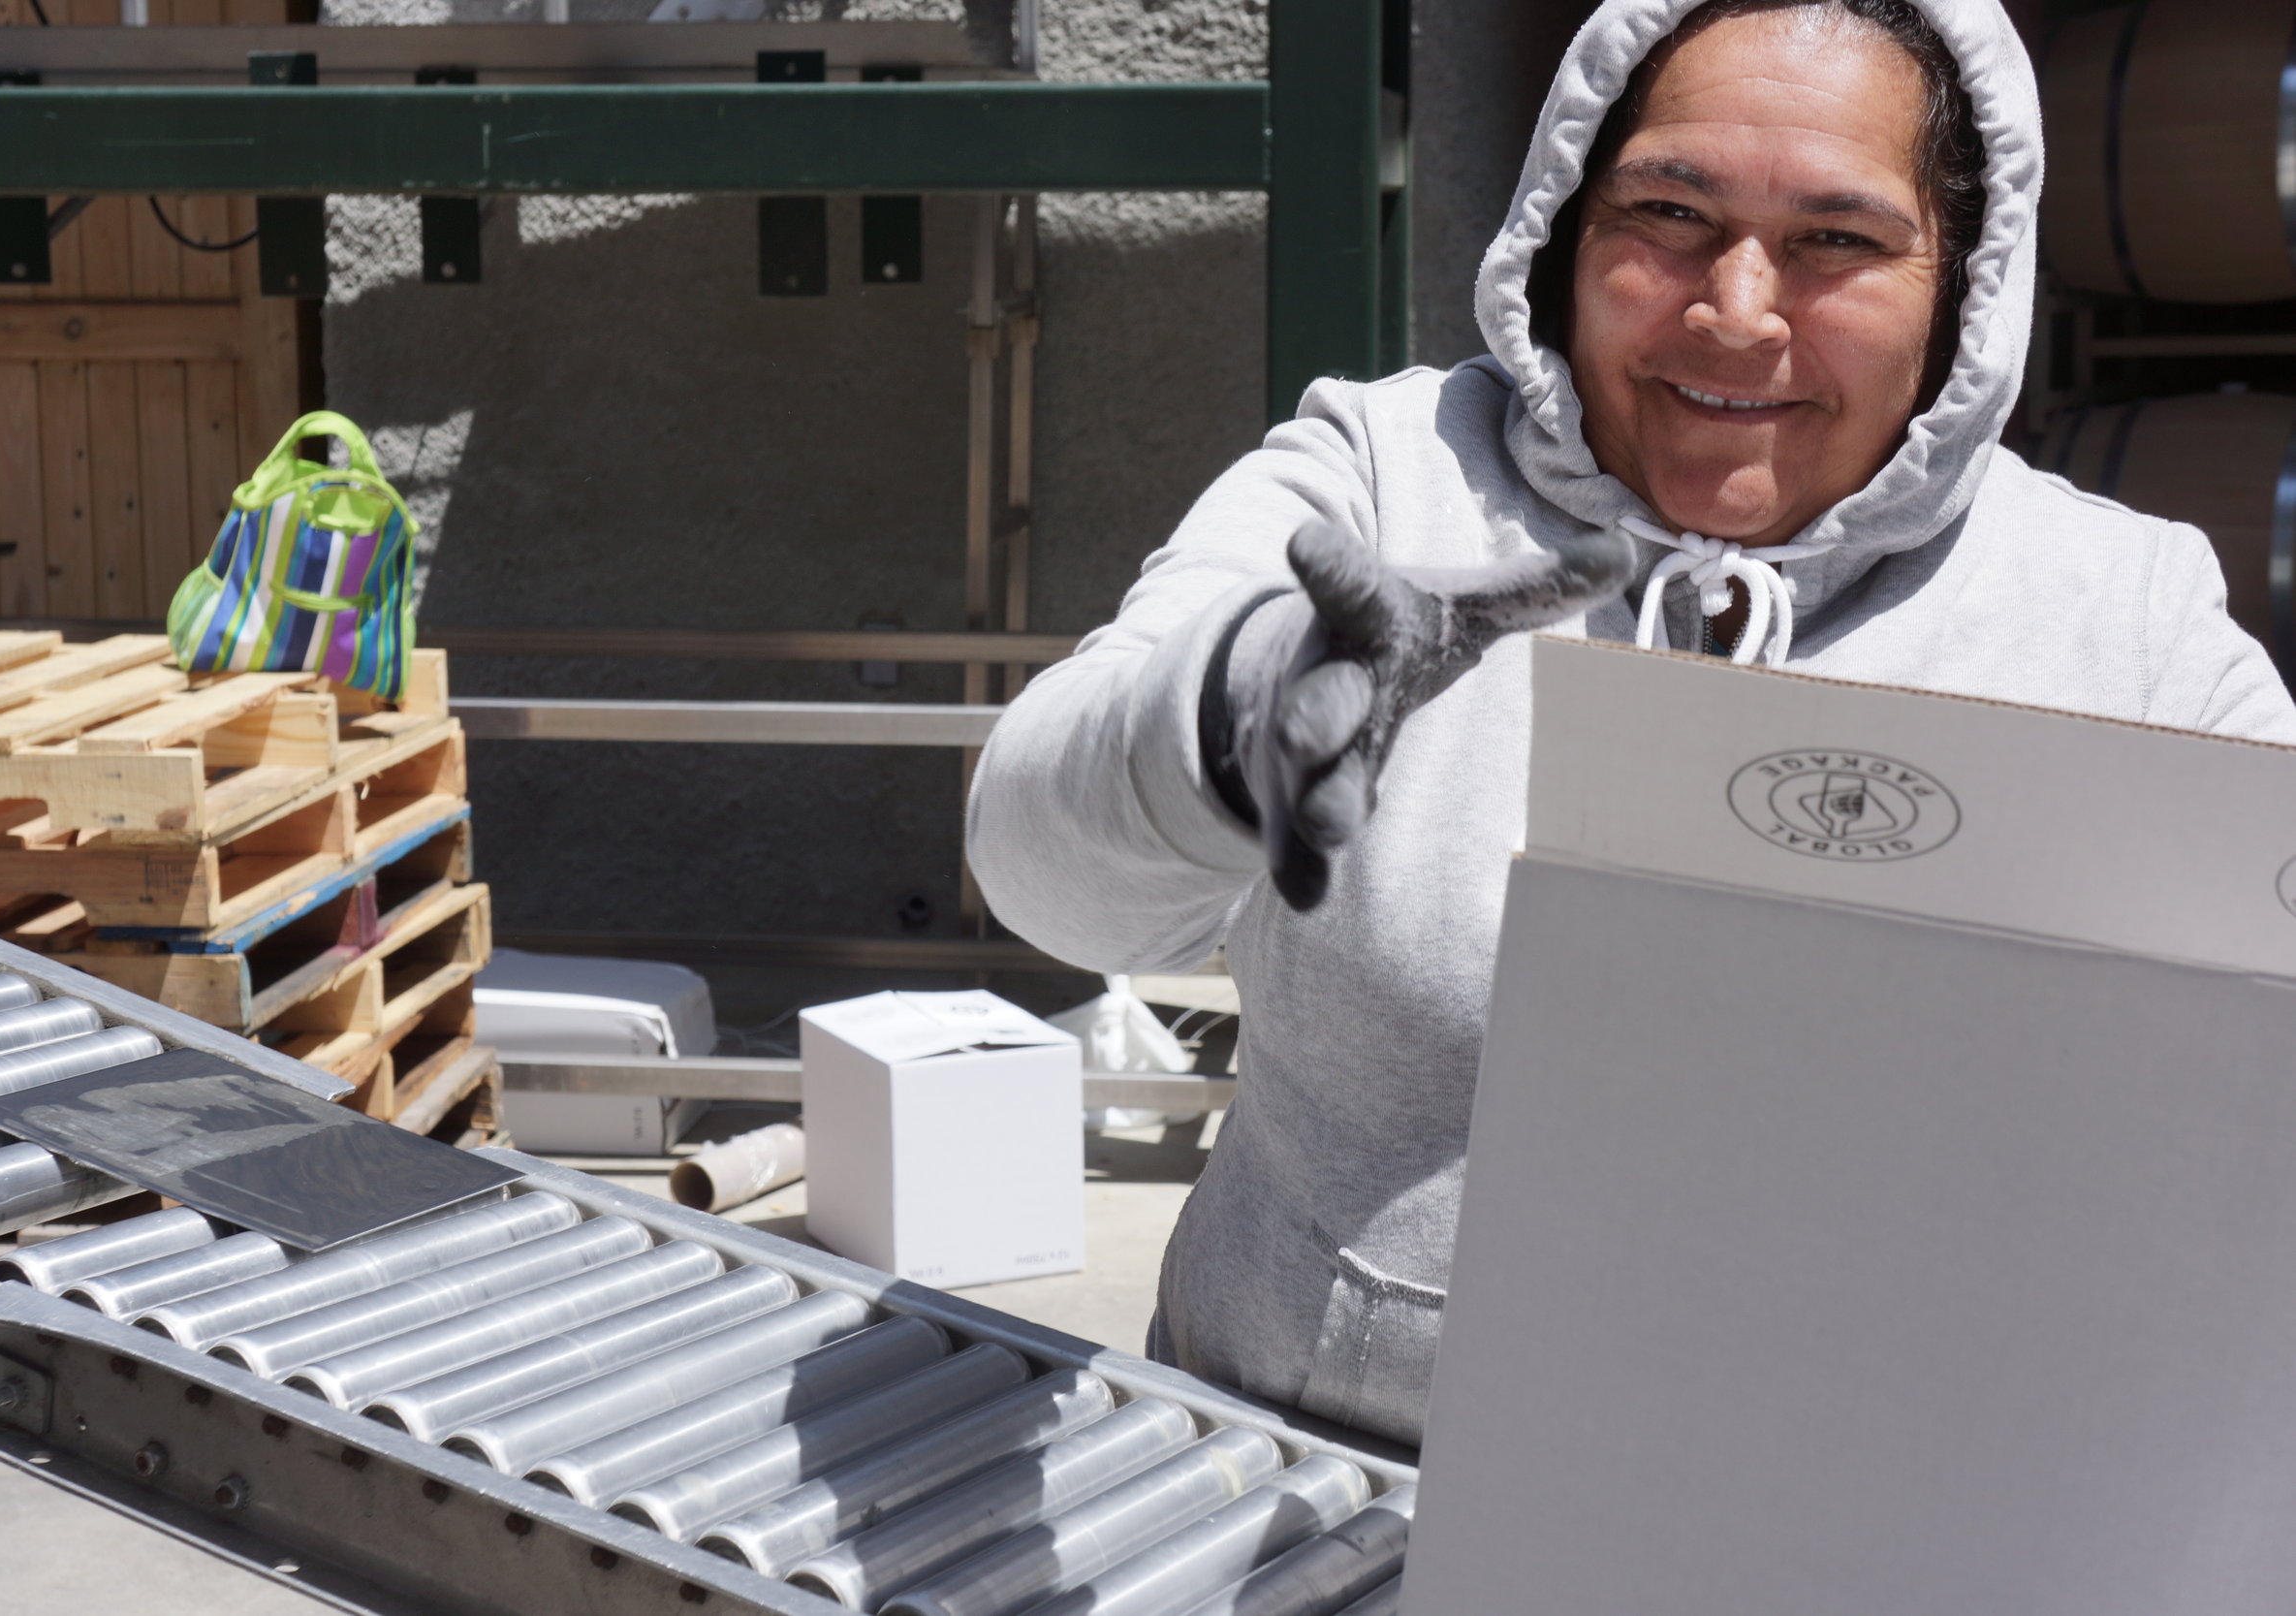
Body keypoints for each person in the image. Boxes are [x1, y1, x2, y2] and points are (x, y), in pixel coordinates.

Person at [966, 0, 2296, 1447]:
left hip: (1865, 1518)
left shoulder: (2114, 615)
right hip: (1307, 1483)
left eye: (1836, 241)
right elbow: (1041, 868)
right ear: (1562, 226)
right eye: (1668, 212)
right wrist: (1235, 715)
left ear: (1965, 285)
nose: (1733, 309)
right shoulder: (1387, 486)